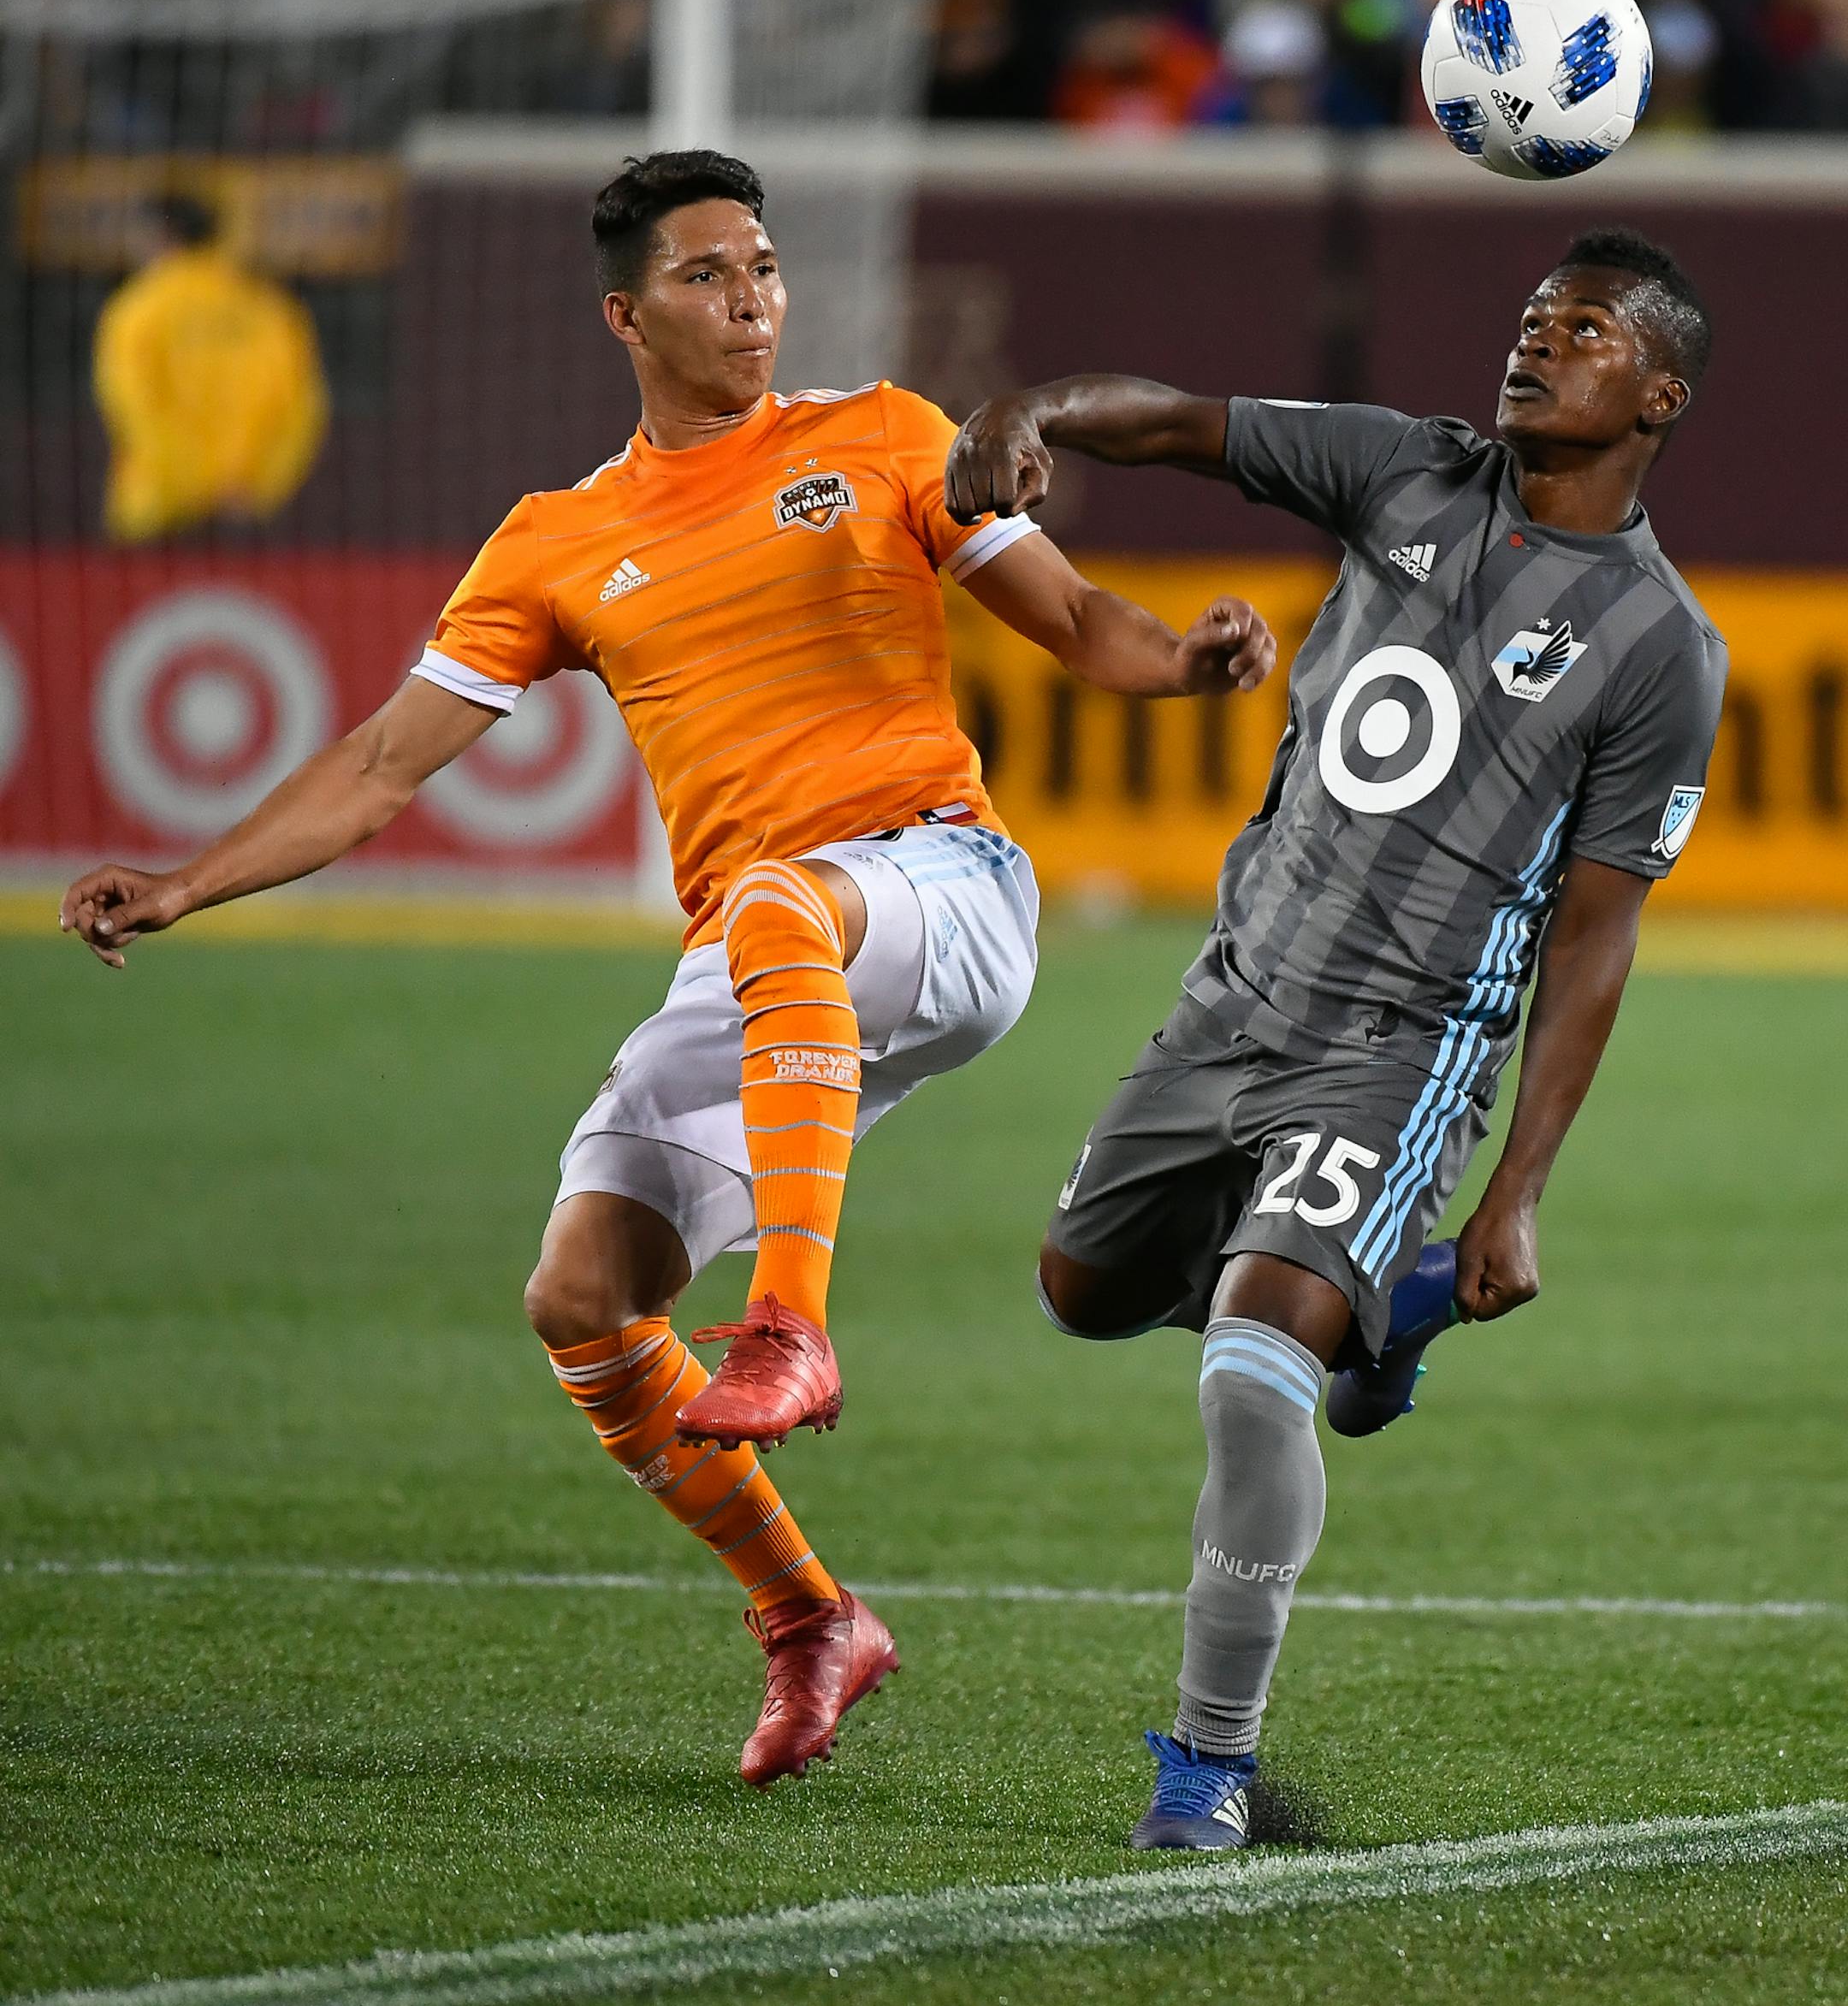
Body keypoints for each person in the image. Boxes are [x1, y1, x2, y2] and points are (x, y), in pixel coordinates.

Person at [60, 149, 1278, 1788]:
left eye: (766, 267)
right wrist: (192, 881)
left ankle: (789, 1324)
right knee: (582, 1294)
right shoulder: (558, 540)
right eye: (712, 275)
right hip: (769, 956)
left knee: (775, 903)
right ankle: (808, 1618)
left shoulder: (883, 439)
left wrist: (1188, 662)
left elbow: (1077, 623)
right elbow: (382, 763)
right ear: (628, 314)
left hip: (940, 882)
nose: (756, 298)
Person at [945, 228, 1727, 1850]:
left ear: (1657, 393)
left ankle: (1207, 1770)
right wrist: (1038, 409)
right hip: (1233, 995)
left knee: (1248, 1369)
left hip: (1402, 1043)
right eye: (1528, 320)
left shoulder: (1663, 646)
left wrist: (1515, 1182)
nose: (1533, 345)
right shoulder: (1404, 470)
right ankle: (1383, 1313)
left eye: (1579, 332)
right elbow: (1174, 419)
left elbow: (1599, 928)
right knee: (1079, 1291)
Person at [92, 194, 329, 545]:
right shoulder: (271, 311)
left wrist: (190, 483)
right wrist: (257, 488)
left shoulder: (137, 312)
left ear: (159, 236)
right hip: (246, 518)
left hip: (158, 512)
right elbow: (302, 412)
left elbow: (132, 407)